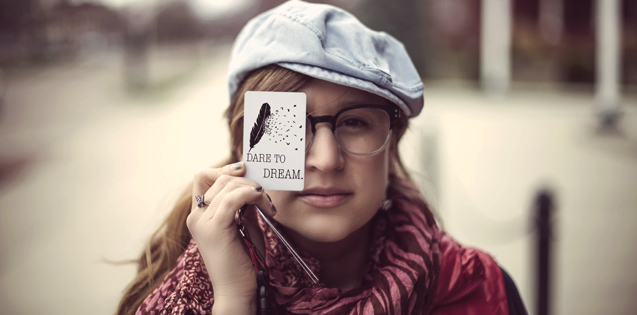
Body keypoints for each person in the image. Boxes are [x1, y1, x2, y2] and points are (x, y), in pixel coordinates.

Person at [117, 1, 527, 314]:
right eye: (287, 125)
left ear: (393, 141)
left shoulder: (480, 290)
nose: (327, 160)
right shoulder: (182, 289)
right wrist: (233, 299)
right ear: (241, 147)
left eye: (355, 123)